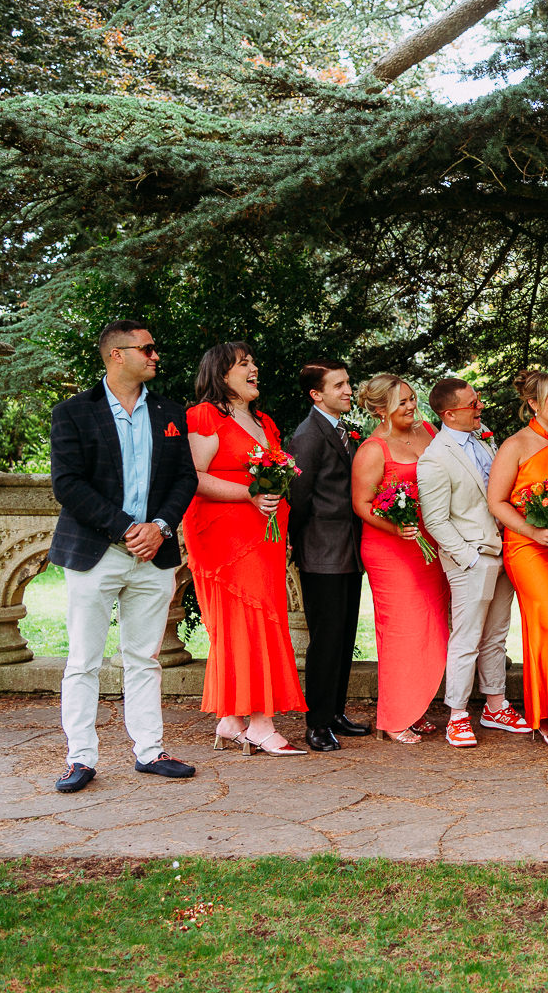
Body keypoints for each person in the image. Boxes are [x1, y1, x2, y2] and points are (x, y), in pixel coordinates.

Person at [49, 319, 198, 792]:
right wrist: (125, 528)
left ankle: (150, 751)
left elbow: (185, 480)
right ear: (117, 354)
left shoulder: (170, 412)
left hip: (154, 553)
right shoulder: (73, 412)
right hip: (97, 552)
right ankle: (80, 758)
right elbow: (67, 484)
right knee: (83, 659)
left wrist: (158, 528)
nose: (156, 356)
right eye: (147, 348)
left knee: (144, 657)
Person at [185, 342, 307, 756]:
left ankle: (231, 720)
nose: (254, 368)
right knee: (249, 623)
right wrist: (249, 494)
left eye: (254, 361)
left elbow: (273, 477)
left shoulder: (264, 422)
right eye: (244, 364)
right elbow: (193, 477)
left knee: (260, 621)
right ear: (221, 374)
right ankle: (260, 722)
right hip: (225, 538)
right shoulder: (204, 416)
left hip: (264, 535)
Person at [417, 378, 531, 748]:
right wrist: (468, 559)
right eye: (472, 403)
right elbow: (435, 521)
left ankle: (495, 706)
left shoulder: (487, 440)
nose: (480, 406)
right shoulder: (435, 458)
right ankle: (458, 714)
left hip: (505, 550)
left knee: (497, 634)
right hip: (472, 557)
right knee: (466, 638)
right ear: (449, 413)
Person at [488, 370, 548, 760]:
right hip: (527, 549)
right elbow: (497, 502)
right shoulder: (515, 445)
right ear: (532, 403)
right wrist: (533, 531)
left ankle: (546, 711)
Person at [350, 374, 450, 744]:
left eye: (412, 398)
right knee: (401, 632)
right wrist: (396, 529)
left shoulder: (427, 429)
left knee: (433, 628)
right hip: (391, 547)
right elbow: (361, 504)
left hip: (430, 542)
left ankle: (416, 707)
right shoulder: (374, 449)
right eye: (402, 403)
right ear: (380, 410)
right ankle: (393, 718)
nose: (412, 407)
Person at [287, 360, 370, 753]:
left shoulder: (340, 429)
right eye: (338, 385)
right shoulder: (307, 435)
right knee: (324, 641)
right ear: (316, 394)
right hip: (321, 551)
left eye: (348, 383)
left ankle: (335, 713)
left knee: (343, 637)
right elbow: (298, 499)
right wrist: (299, 544)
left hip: (348, 551)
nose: (348, 390)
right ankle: (316, 724)